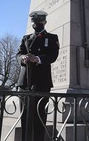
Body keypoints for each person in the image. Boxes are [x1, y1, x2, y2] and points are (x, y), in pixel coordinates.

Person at [16, 10, 59, 141]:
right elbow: (18, 54)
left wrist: (37, 59)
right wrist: (23, 58)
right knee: (25, 119)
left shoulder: (52, 38)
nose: (36, 25)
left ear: (44, 22)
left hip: (42, 82)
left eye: (39, 22)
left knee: (40, 118)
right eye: (34, 22)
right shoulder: (26, 38)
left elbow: (53, 56)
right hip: (25, 82)